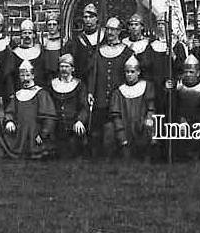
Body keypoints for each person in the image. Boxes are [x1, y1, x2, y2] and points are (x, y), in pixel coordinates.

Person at [88, 17, 132, 158]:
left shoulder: (127, 52)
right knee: (97, 131)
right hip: (100, 98)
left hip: (119, 100)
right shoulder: (98, 51)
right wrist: (90, 91)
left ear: (119, 31)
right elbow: (92, 74)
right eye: (108, 29)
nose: (110, 32)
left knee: (118, 129)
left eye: (113, 29)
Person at [0, 60, 56, 160]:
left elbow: (49, 117)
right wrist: (9, 121)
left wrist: (43, 134)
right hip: (20, 134)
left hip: (36, 133)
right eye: (22, 76)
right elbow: (10, 112)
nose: (25, 78)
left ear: (33, 76)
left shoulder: (41, 94)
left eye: (28, 75)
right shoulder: (17, 95)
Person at [165, 54, 200, 160]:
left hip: (198, 123)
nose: (188, 74)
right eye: (185, 72)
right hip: (180, 122)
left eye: (191, 72)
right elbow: (173, 106)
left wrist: (191, 123)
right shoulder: (177, 86)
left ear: (198, 73)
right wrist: (181, 119)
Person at [110, 55, 157, 160]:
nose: (129, 75)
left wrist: (149, 119)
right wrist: (121, 135)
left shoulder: (147, 87)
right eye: (127, 72)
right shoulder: (118, 92)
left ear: (138, 72)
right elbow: (116, 116)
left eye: (132, 71)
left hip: (142, 127)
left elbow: (151, 108)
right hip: (126, 129)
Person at [48, 53, 89, 159]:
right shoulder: (52, 84)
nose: (64, 69)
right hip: (56, 127)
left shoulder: (79, 85)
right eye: (62, 66)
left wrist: (80, 120)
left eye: (67, 66)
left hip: (73, 126)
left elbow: (84, 106)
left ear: (72, 69)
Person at [5, 19, 49, 95]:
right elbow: (9, 75)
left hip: (37, 92)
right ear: (21, 35)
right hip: (19, 91)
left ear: (34, 35)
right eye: (24, 33)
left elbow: (45, 74)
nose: (27, 36)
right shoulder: (15, 53)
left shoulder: (40, 52)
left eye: (29, 33)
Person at [67, 3, 102, 85]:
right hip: (83, 80)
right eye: (86, 17)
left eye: (91, 17)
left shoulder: (104, 37)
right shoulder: (77, 40)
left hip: (100, 79)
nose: (88, 20)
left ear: (96, 18)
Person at [42, 12, 64, 81]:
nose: (51, 27)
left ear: (58, 26)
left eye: (54, 24)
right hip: (47, 76)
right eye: (49, 25)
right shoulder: (43, 41)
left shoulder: (63, 42)